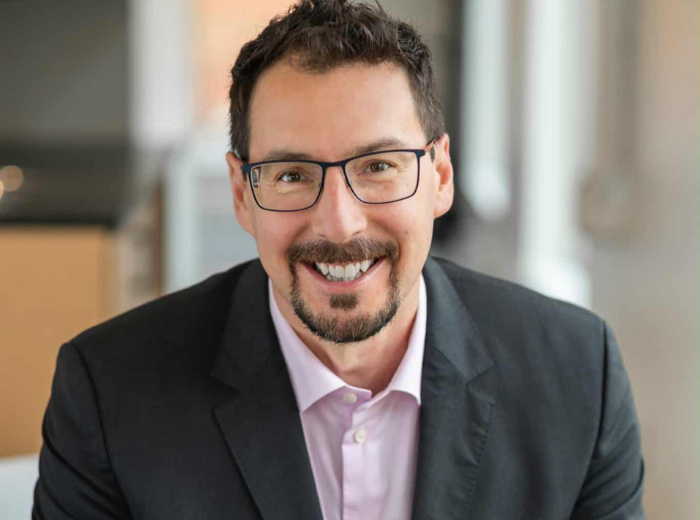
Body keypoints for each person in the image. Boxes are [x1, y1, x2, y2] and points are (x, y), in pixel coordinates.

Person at [33, 1, 646, 518]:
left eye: (378, 166)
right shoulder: (109, 393)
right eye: (292, 174)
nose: (340, 223)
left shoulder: (578, 377)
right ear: (243, 194)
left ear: (439, 176)